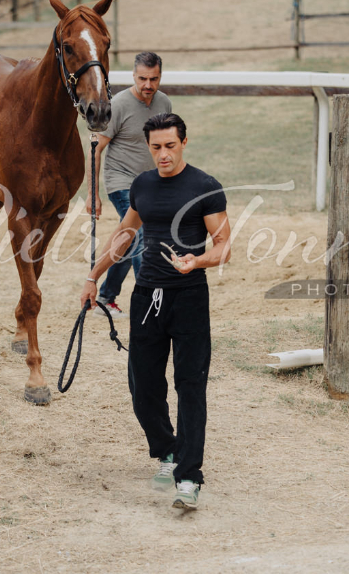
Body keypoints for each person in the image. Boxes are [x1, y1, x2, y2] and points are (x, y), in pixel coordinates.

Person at [81, 113, 231, 511]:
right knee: (143, 386)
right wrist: (93, 277)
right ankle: (167, 451)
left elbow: (223, 246)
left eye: (170, 146)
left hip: (189, 299)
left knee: (190, 385)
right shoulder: (142, 185)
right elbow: (124, 235)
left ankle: (188, 476)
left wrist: (196, 262)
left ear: (184, 142)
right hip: (146, 296)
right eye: (156, 147)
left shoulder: (205, 188)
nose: (163, 154)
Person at [85, 51, 171, 318]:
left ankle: (106, 297)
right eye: (143, 78)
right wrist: (93, 195)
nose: (148, 85)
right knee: (140, 237)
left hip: (150, 184)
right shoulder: (119, 104)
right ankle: (149, 301)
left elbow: (167, 145)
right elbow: (96, 149)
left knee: (128, 238)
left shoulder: (164, 103)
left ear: (160, 77)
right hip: (120, 182)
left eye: (153, 79)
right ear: (133, 75)